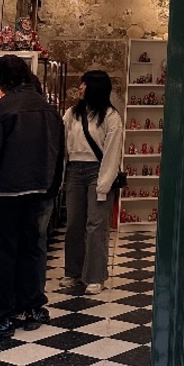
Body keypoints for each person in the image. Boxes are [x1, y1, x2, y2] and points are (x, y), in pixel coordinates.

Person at [0, 55, 64, 338]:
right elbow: (59, 154)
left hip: (1, 192)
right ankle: (31, 305)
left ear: (1, 80)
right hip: (36, 190)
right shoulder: (49, 110)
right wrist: (51, 188)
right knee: (29, 249)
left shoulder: (1, 110)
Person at [60, 70, 123, 295]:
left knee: (96, 225)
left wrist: (104, 185)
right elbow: (63, 146)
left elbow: (112, 153)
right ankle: (73, 272)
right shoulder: (72, 113)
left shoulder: (110, 117)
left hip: (98, 170)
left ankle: (95, 276)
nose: (81, 87)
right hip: (74, 170)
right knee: (74, 223)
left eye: (85, 84)